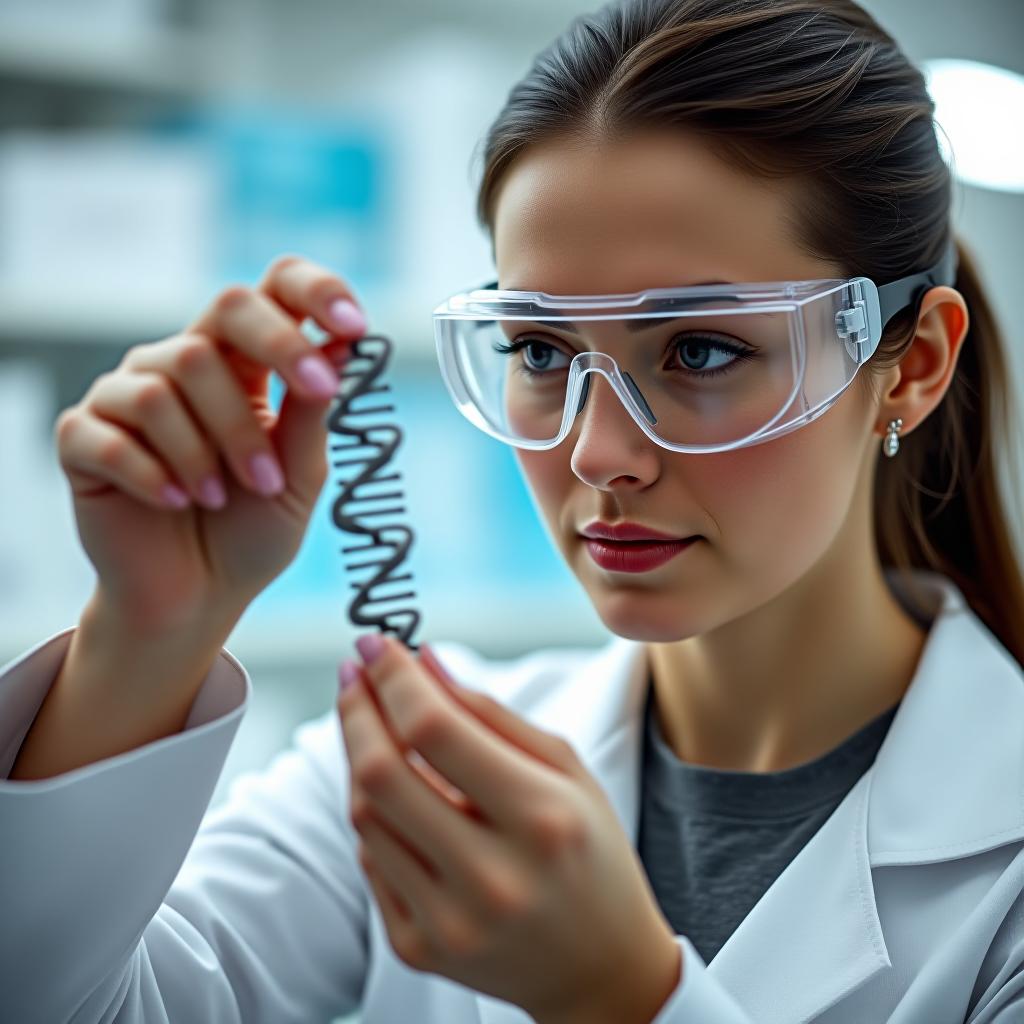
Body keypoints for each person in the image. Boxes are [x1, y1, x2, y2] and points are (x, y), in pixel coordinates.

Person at [2, 0, 1023, 1020]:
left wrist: (623, 998)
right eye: (540, 352)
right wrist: (147, 629)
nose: (596, 453)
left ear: (911, 366)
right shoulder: (409, 780)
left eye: (701, 350)